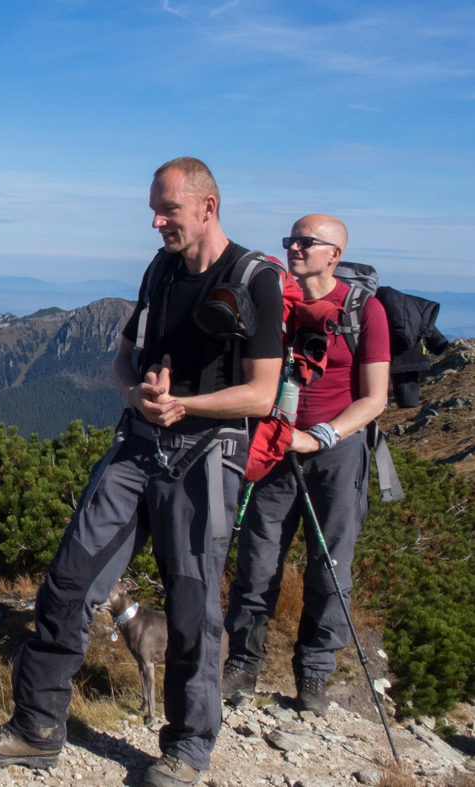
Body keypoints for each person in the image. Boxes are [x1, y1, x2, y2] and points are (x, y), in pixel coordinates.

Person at [0, 158, 283, 787]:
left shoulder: (254, 280)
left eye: (167, 210)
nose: (157, 222)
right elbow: (123, 361)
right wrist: (138, 396)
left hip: (205, 455)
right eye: (153, 212)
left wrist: (184, 404)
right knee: (69, 581)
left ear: (207, 206)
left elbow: (262, 394)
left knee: (192, 605)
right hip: (138, 444)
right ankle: (37, 729)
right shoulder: (161, 271)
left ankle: (187, 749)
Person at [222, 214, 391, 715]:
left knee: (330, 565)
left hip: (335, 453)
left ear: (334, 254)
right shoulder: (278, 303)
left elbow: (375, 398)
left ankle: (314, 675)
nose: (294, 248)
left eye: (306, 241)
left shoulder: (364, 310)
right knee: (257, 558)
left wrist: (318, 437)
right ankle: (243, 665)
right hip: (276, 444)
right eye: (290, 240)